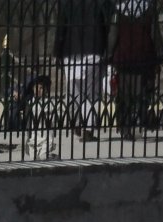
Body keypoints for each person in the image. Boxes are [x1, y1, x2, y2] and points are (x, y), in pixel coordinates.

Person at [54, 0, 112, 139]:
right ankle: (88, 127)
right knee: (91, 92)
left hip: (71, 50)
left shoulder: (67, 3)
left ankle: (76, 121)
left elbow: (61, 29)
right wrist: (108, 50)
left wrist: (57, 51)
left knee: (75, 90)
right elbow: (108, 26)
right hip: (93, 48)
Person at [108, 0, 163, 141]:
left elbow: (113, 36)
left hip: (124, 57)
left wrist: (108, 54)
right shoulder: (148, 9)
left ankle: (126, 126)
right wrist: (160, 55)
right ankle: (139, 123)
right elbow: (155, 34)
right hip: (143, 56)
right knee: (141, 93)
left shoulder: (119, 11)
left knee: (125, 94)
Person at [6, 74, 59, 158]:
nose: (38, 90)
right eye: (36, 88)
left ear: (45, 90)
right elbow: (11, 91)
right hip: (33, 137)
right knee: (33, 158)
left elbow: (54, 119)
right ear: (33, 88)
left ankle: (52, 157)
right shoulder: (29, 101)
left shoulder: (49, 102)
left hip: (46, 136)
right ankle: (53, 157)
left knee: (43, 157)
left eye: (41, 88)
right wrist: (15, 94)